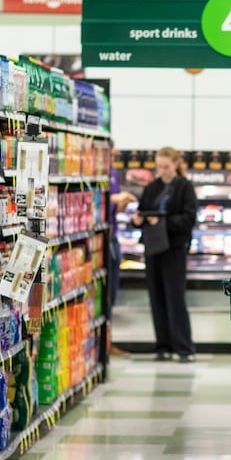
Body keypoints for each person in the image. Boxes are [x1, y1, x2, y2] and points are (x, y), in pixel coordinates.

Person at [131, 146, 198, 362]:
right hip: (153, 247)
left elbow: (188, 219)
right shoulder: (152, 187)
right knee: (156, 297)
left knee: (175, 298)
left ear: (176, 164)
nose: (163, 171)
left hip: (174, 248)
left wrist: (163, 222)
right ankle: (162, 345)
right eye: (159, 167)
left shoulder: (184, 187)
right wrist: (138, 220)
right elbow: (141, 211)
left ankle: (183, 347)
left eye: (166, 167)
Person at [106, 152, 135, 358]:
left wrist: (120, 203)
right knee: (105, 293)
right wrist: (114, 198)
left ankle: (108, 340)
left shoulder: (113, 172)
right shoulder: (98, 171)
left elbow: (112, 208)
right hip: (104, 239)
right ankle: (106, 342)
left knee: (112, 293)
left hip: (112, 238)